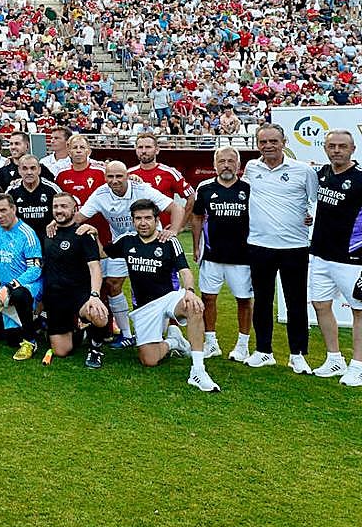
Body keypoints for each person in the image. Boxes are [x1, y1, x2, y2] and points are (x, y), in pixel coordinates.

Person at [104, 200, 220, 393]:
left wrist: (190, 292)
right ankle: (174, 342)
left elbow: (185, 271)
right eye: (138, 218)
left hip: (168, 299)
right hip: (144, 307)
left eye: (148, 218)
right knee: (149, 360)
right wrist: (90, 232)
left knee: (194, 306)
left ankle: (198, 370)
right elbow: (102, 252)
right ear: (132, 221)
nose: (143, 222)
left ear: (157, 220)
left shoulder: (168, 241)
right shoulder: (127, 240)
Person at [74, 161, 183, 348]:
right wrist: (57, 224)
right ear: (105, 177)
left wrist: (173, 231)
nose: (114, 180)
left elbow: (176, 208)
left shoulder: (142, 189)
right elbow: (78, 217)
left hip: (151, 242)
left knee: (156, 286)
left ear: (127, 175)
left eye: (119, 176)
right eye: (110, 176)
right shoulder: (100, 194)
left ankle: (170, 332)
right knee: (112, 285)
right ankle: (126, 334)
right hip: (122, 244)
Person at [242, 123, 318, 373]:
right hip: (259, 246)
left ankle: (298, 355)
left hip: (294, 247)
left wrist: (309, 218)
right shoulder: (252, 168)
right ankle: (264, 351)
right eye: (263, 142)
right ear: (257, 144)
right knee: (262, 301)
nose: (268, 146)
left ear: (284, 142)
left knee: (296, 302)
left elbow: (316, 202)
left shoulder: (302, 170)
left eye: (273, 141)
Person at [308, 129, 362, 386]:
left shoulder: (361, 179)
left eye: (342, 146)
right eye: (332, 146)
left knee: (359, 311)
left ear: (353, 149)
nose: (337, 150)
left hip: (351, 258)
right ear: (325, 148)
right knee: (320, 304)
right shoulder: (321, 175)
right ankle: (334, 358)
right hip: (319, 253)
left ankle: (358, 365)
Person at [191, 147, 253, 362]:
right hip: (212, 255)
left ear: (238, 164)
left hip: (242, 257)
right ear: (215, 164)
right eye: (222, 161)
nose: (226, 165)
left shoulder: (248, 187)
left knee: (244, 300)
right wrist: (197, 245)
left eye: (230, 161)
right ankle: (211, 343)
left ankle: (243, 345)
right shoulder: (205, 187)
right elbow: (197, 216)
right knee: (208, 298)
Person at [40, 192, 109, 368]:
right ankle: (82, 333)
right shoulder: (48, 232)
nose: (59, 210)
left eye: (64, 206)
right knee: (61, 351)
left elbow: (95, 268)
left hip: (80, 294)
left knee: (98, 315)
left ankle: (95, 350)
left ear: (74, 209)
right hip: (55, 297)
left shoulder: (84, 233)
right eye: (55, 206)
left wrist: (95, 295)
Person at [0, 194, 43, 360]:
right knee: (11, 340)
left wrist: (10, 286)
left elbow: (36, 269)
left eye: (3, 210)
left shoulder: (27, 234)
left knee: (19, 294)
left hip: (27, 286)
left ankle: (30, 341)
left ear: (13, 209)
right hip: (4, 288)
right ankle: (36, 324)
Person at [128, 132, 196, 230]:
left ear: (157, 150)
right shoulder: (128, 174)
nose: (143, 151)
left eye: (148, 147)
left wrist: (180, 225)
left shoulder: (170, 173)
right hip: (135, 232)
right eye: (140, 147)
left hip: (163, 234)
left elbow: (191, 196)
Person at [5, 155, 63, 241]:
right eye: (24, 168)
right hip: (21, 240)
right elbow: (4, 213)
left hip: (49, 238)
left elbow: (66, 209)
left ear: (39, 170)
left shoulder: (52, 189)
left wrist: (56, 221)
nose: (29, 172)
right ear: (19, 171)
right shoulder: (12, 191)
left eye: (33, 168)